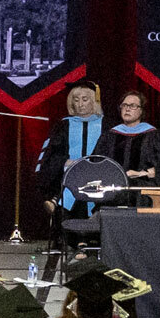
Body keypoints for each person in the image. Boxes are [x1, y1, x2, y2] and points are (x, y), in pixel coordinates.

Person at [35, 81, 112, 224]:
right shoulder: (63, 125)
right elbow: (51, 154)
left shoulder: (107, 125)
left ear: (94, 101)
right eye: (76, 100)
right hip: (68, 173)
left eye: (85, 99)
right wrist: (64, 161)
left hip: (99, 175)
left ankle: (55, 201)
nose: (80, 104)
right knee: (69, 181)